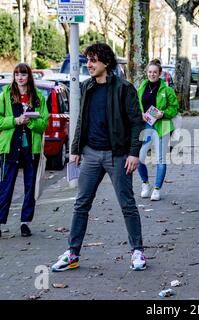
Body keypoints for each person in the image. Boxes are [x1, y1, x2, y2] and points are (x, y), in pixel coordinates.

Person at [51, 43, 146, 272]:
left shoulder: (124, 88)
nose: (90, 65)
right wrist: (74, 149)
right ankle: (73, 253)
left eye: (93, 60)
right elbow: (81, 121)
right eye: (88, 60)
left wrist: (134, 153)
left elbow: (137, 124)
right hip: (91, 154)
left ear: (106, 62)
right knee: (81, 204)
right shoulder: (86, 87)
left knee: (127, 204)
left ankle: (137, 251)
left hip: (118, 156)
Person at [0, 63, 49, 241]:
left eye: (23, 74)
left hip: (31, 148)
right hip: (10, 148)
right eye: (17, 75)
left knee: (30, 187)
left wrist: (29, 122)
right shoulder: (6, 95)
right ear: (14, 77)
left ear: (29, 77)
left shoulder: (37, 97)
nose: (20, 78)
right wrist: (15, 120)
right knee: (5, 186)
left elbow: (43, 123)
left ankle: (25, 223)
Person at [137, 59, 179, 201]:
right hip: (147, 125)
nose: (152, 74)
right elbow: (137, 106)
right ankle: (145, 183)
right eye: (150, 72)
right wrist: (140, 115)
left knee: (160, 159)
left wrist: (164, 113)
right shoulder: (142, 87)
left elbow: (174, 108)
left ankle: (157, 189)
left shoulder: (167, 90)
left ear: (160, 73)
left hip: (163, 126)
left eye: (155, 72)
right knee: (140, 157)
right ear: (147, 73)